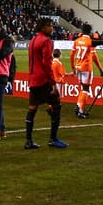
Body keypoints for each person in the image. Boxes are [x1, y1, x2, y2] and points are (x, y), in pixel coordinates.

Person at [24, 17, 67, 149]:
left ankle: (28, 141)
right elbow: (47, 63)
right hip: (43, 80)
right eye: (50, 26)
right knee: (57, 104)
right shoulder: (46, 41)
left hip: (33, 79)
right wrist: (53, 83)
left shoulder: (33, 40)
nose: (52, 28)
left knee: (32, 109)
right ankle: (53, 139)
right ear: (43, 27)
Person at [70, 23, 103, 119]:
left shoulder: (77, 41)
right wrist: (100, 68)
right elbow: (94, 56)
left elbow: (71, 55)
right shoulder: (90, 41)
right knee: (86, 89)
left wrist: (73, 68)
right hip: (86, 68)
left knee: (83, 88)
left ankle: (78, 105)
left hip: (78, 67)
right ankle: (80, 110)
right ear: (90, 31)